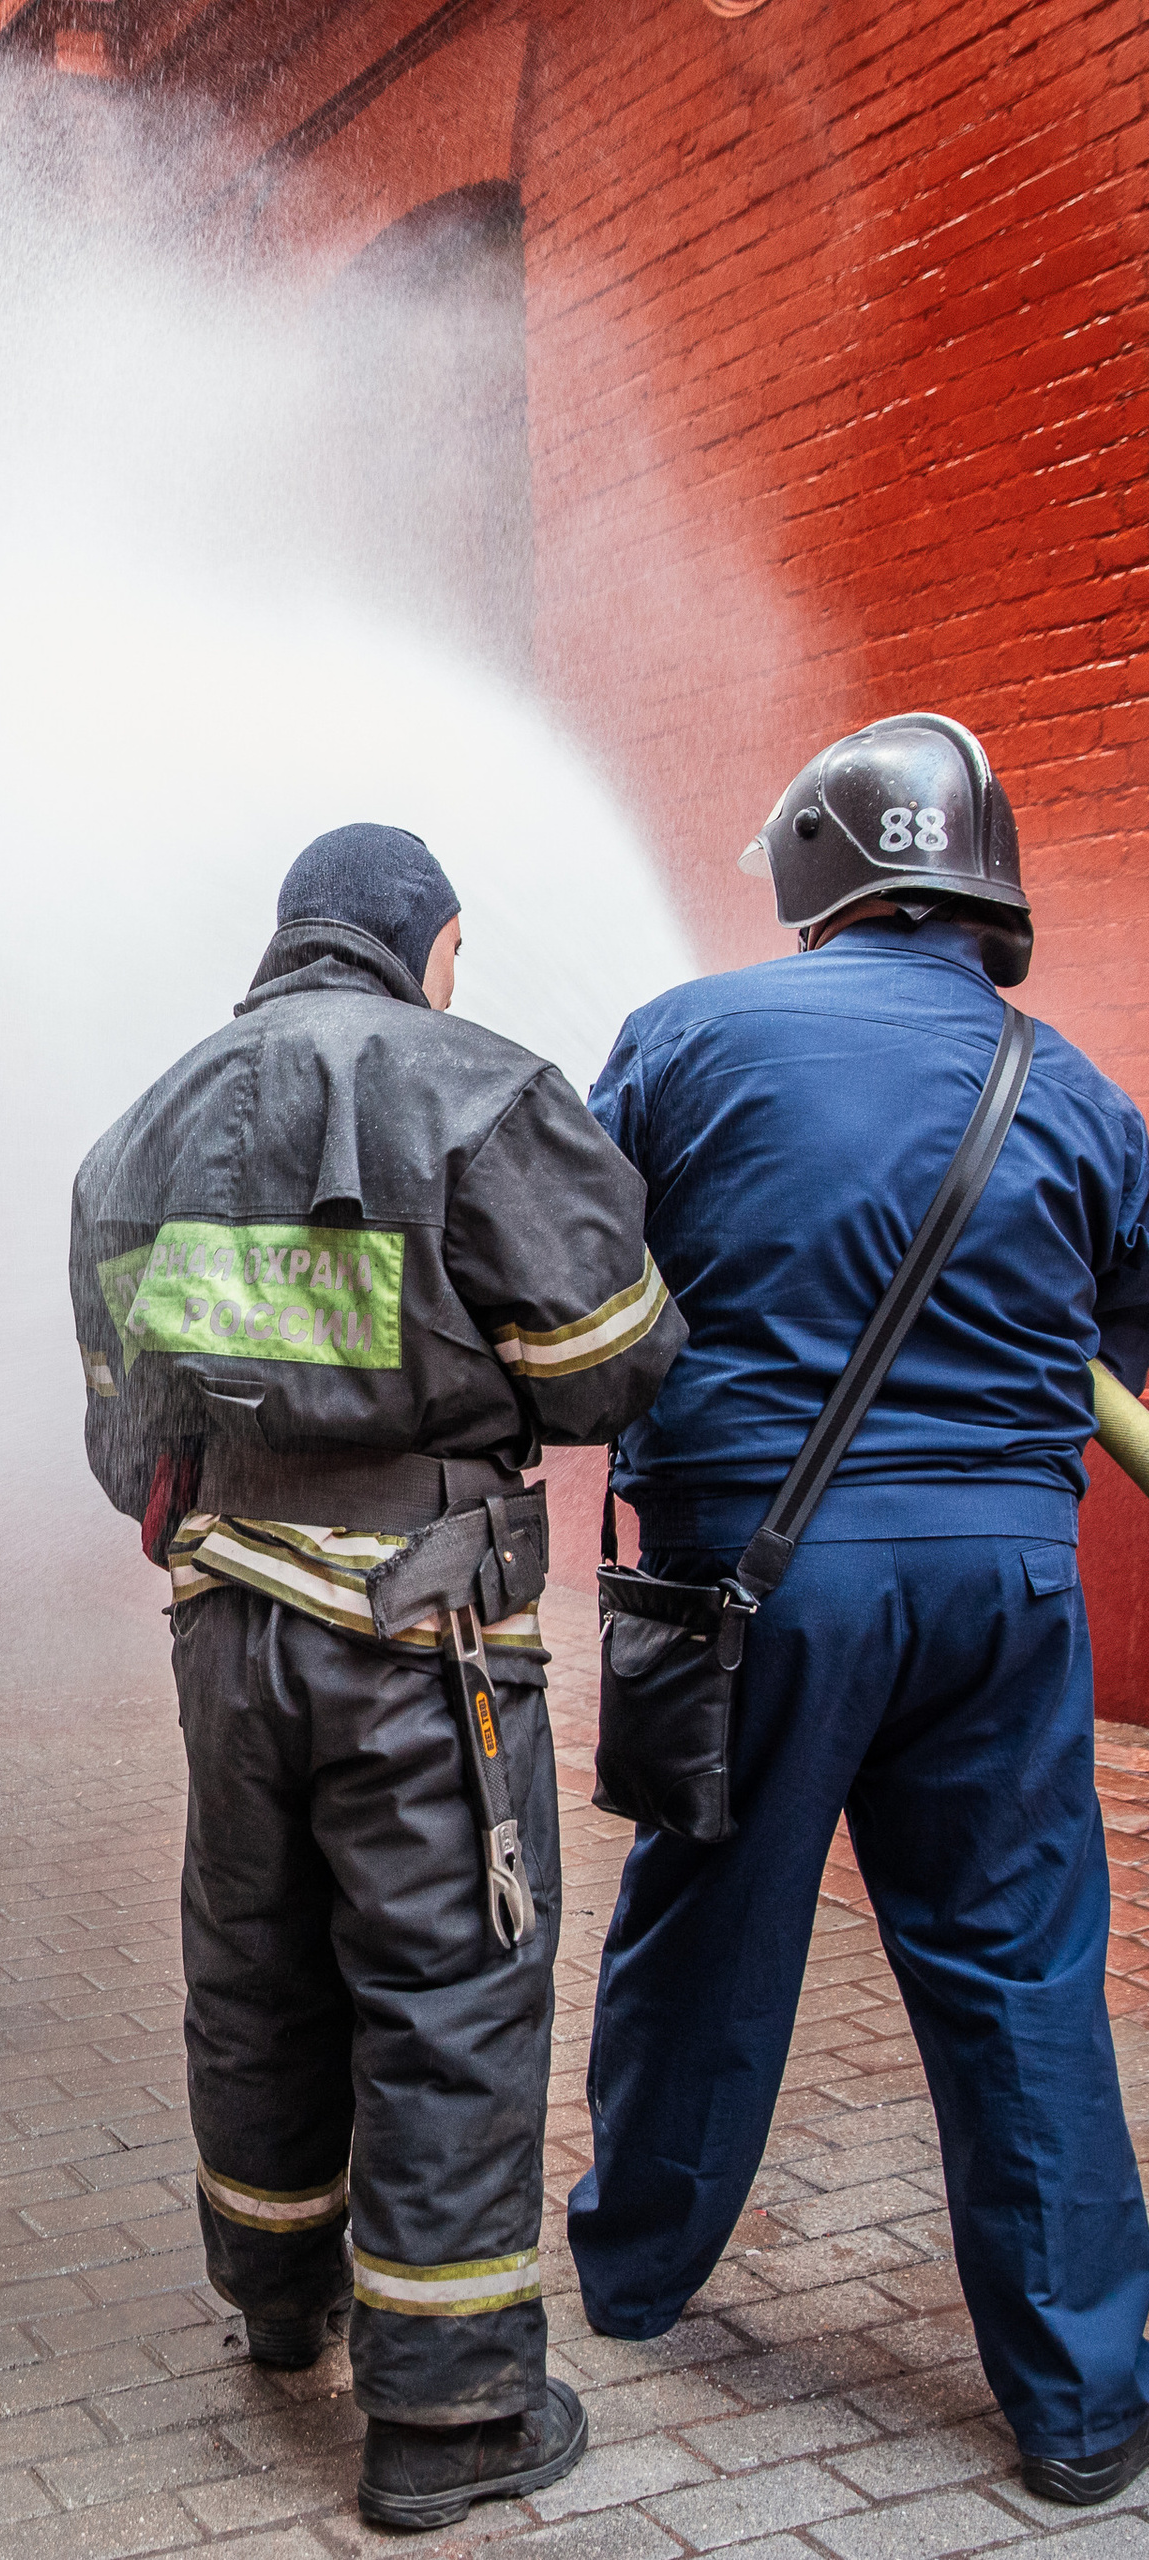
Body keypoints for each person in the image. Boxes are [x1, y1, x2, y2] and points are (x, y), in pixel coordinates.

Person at [70, 824, 684, 2532]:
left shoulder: (136, 1132)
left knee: (256, 1967)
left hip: (228, 1640)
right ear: (426, 939)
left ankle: (280, 2302)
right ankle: (450, 2416)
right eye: (456, 954)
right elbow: (611, 1362)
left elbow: (123, 1438)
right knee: (447, 1992)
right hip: (424, 1643)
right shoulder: (483, 1094)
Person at [569, 712, 1149, 2506]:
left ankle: (637, 2276)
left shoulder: (686, 1040)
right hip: (1008, 1591)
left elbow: (575, 1285)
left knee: (711, 1926)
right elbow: (1123, 1340)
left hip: (764, 1581)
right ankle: (1084, 2410)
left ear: (821, 873)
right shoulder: (1074, 1090)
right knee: (1023, 1969)